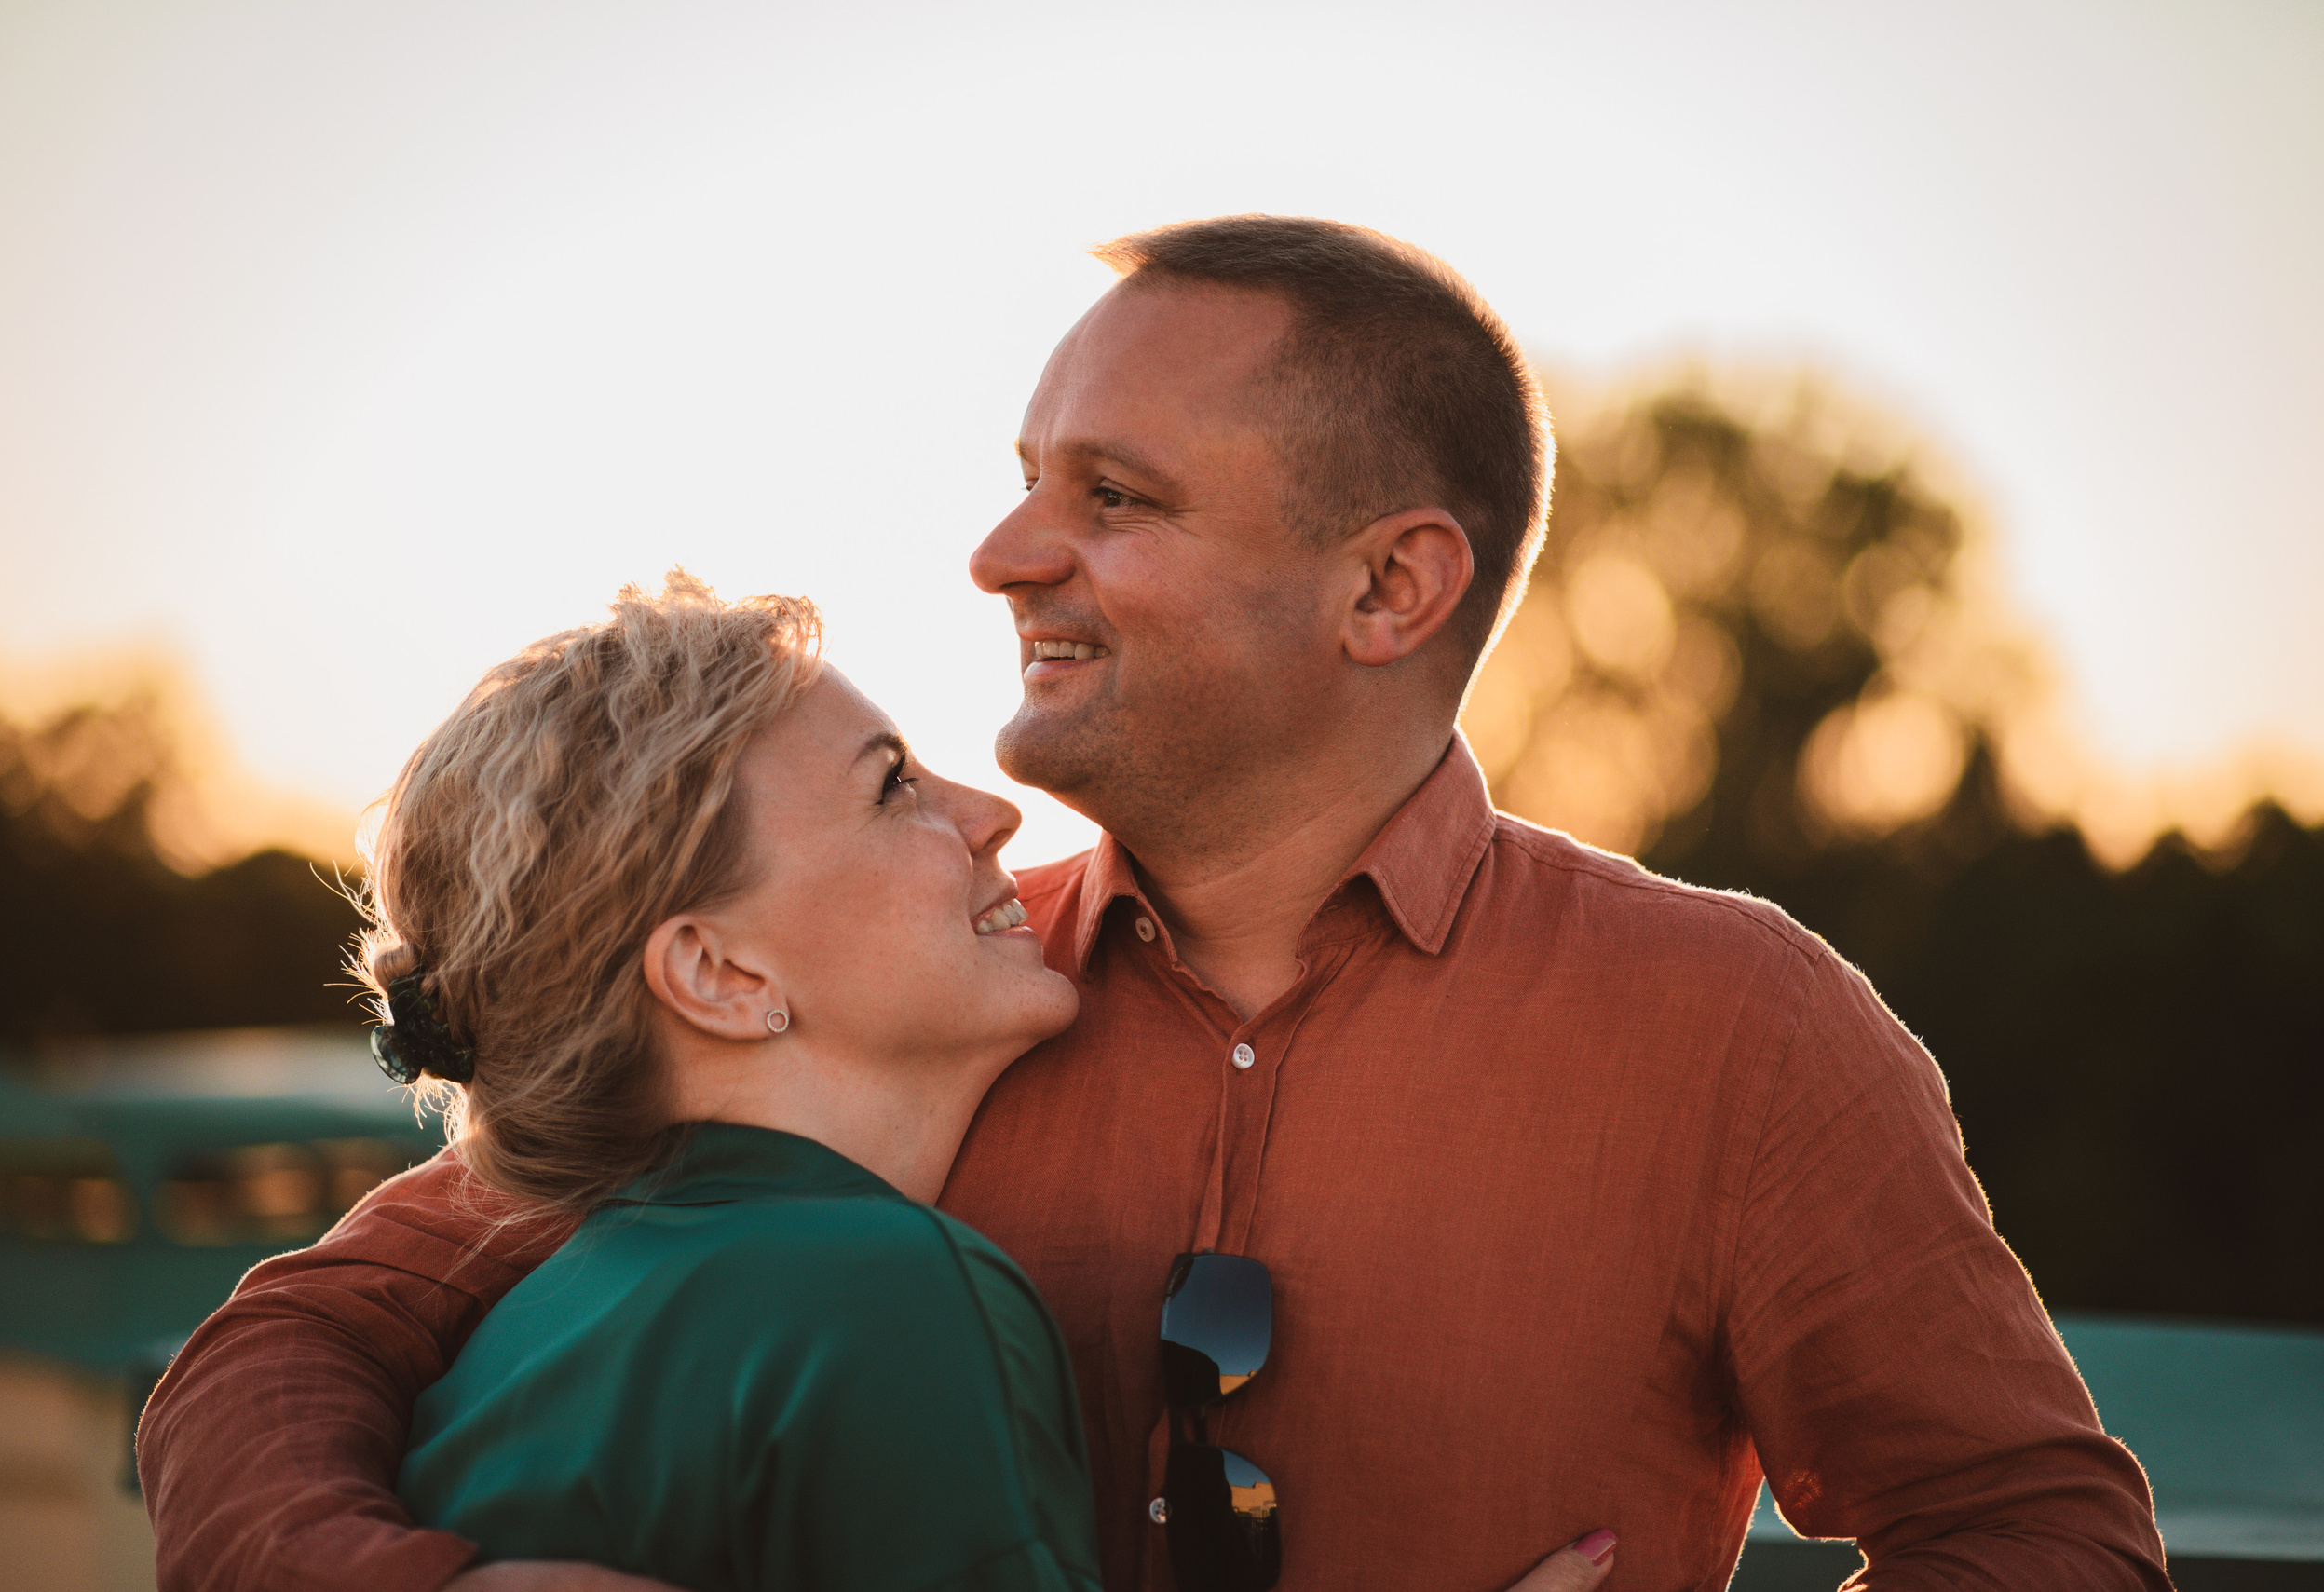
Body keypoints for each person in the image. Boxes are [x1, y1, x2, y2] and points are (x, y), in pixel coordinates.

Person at [139, 217, 2168, 1591]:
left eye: (1112, 497)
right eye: (1030, 473)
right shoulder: (874, 1015)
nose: (1003, 549)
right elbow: (290, 1346)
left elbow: (2031, 1532)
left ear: (1390, 588)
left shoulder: (1735, 1026)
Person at [319, 577, 1103, 1589]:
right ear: (719, 976)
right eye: (891, 786)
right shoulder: (882, 1295)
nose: (992, 813)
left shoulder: (531, 1322)